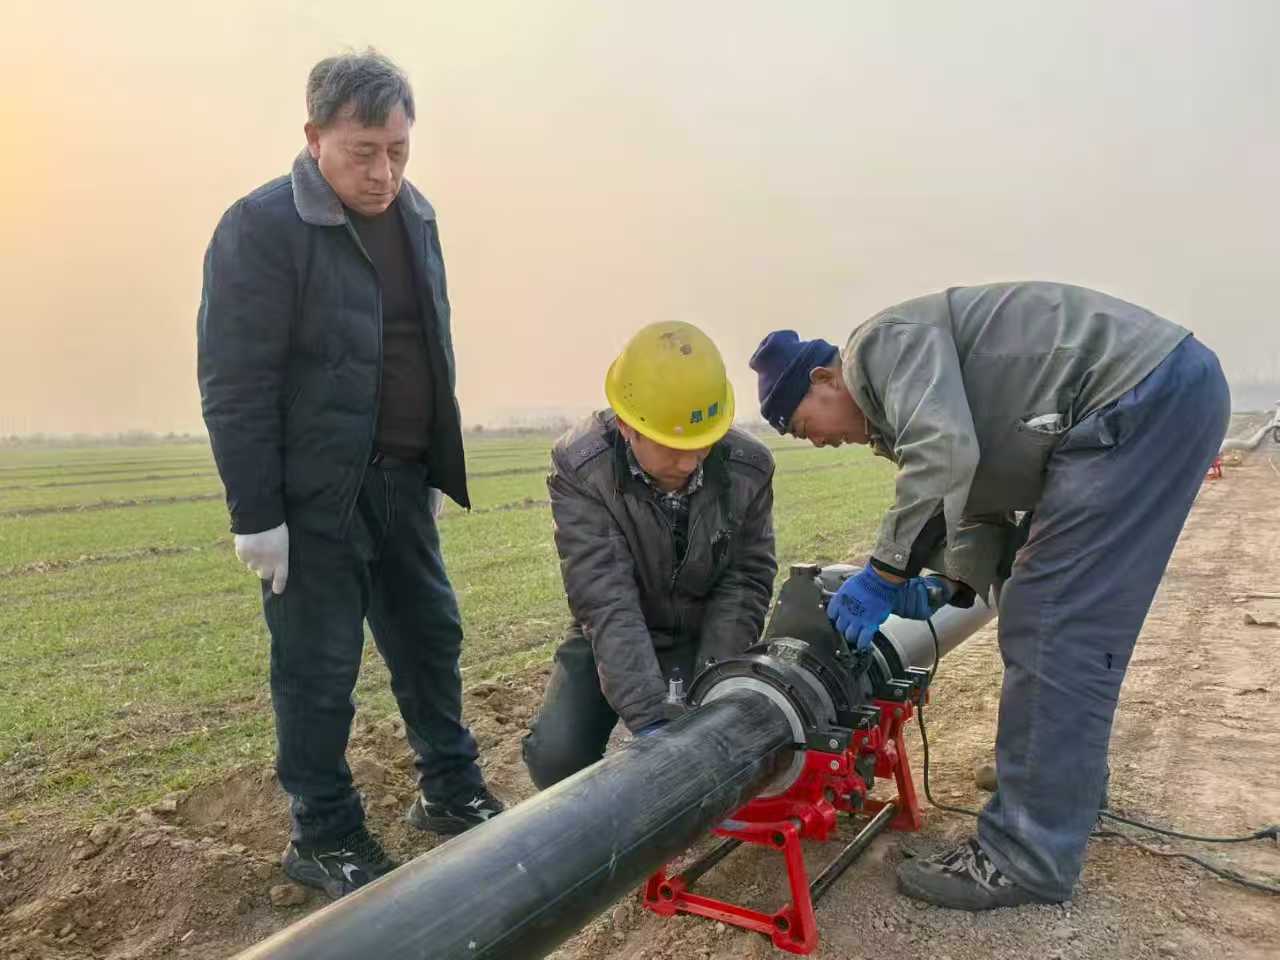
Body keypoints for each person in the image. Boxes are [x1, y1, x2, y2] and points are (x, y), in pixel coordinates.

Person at [750, 281, 1229, 910]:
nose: (816, 442)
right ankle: (1051, 786)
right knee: (1034, 599)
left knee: (1052, 618)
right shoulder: (896, 413)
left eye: (803, 425)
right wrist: (950, 581)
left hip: (1137, 398)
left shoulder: (878, 350)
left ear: (823, 379)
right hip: (1145, 397)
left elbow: (946, 455)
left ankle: (1024, 854)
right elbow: (980, 496)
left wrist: (882, 574)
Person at [197, 50, 502, 900]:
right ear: (315, 137)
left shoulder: (418, 216)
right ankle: (324, 833)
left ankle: (450, 789)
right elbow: (234, 380)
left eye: (398, 151)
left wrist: (432, 463)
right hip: (315, 499)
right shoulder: (260, 227)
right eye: (364, 152)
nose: (383, 173)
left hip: (403, 481)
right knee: (319, 669)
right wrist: (256, 514)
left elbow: (425, 347)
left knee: (431, 640)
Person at [523, 322, 778, 786]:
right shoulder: (583, 468)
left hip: (705, 625)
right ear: (628, 428)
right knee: (556, 758)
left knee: (720, 742)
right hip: (618, 623)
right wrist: (650, 720)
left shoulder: (749, 467)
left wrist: (714, 688)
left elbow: (744, 581)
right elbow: (605, 597)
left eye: (702, 444)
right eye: (672, 448)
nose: (690, 461)